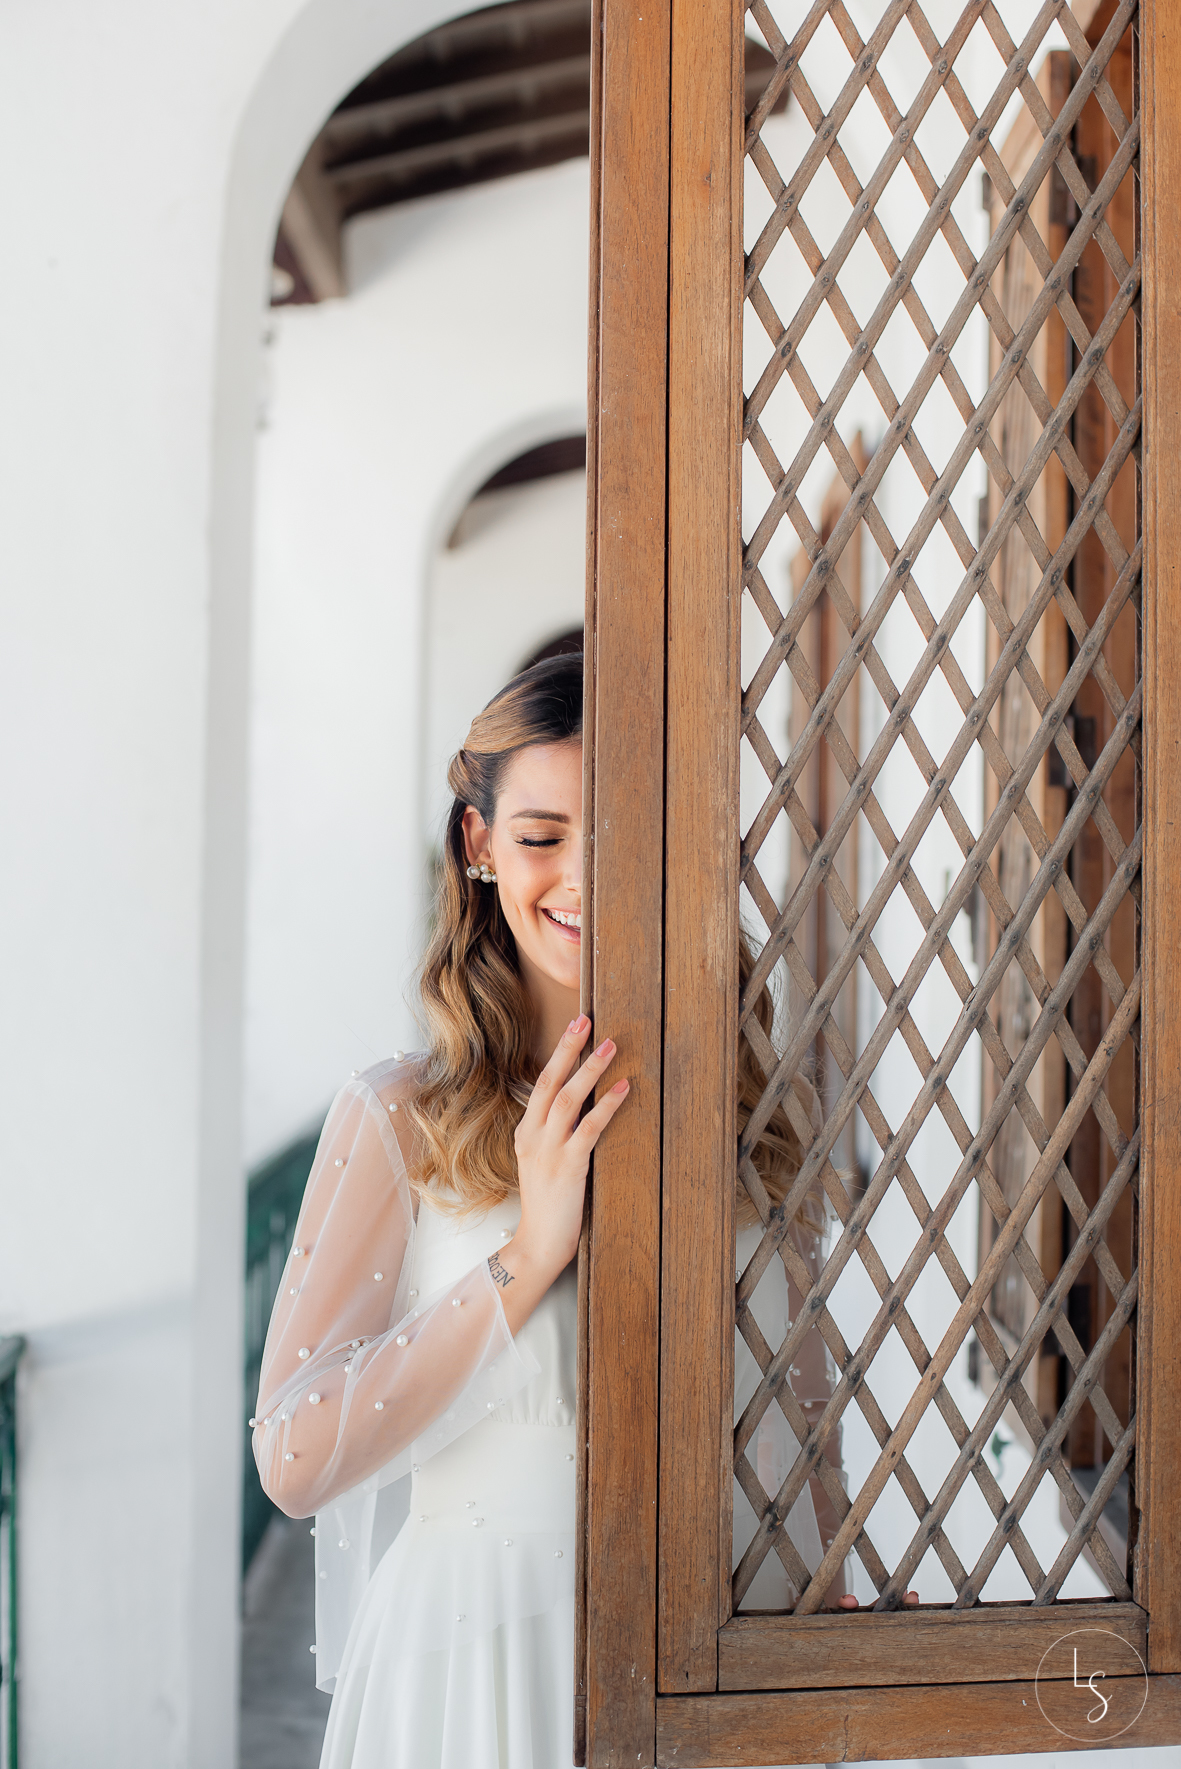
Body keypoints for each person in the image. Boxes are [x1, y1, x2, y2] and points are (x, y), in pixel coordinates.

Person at [252, 653, 888, 1769]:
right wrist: (530, 1251)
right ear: (476, 843)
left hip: (733, 1653)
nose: (582, 875)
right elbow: (293, 1455)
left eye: (618, 827)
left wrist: (827, 1576)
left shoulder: (741, 1100)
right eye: (541, 834)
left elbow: (799, 1391)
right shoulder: (400, 1114)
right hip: (486, 1666)